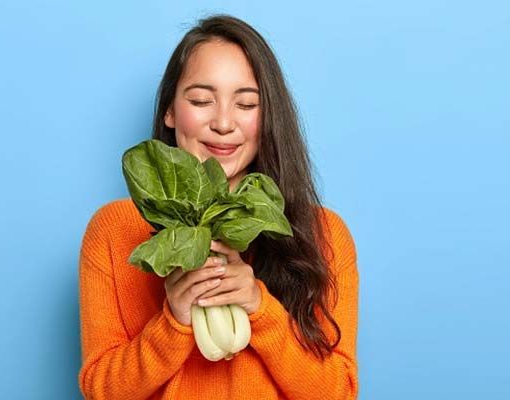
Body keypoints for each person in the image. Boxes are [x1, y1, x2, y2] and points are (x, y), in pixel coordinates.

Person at [78, 14, 359, 400]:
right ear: (171, 111)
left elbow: (338, 392)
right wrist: (173, 321)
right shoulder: (114, 229)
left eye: (246, 103)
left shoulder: (325, 233)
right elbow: (102, 391)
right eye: (200, 100)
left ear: (269, 117)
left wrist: (260, 308)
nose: (224, 123)